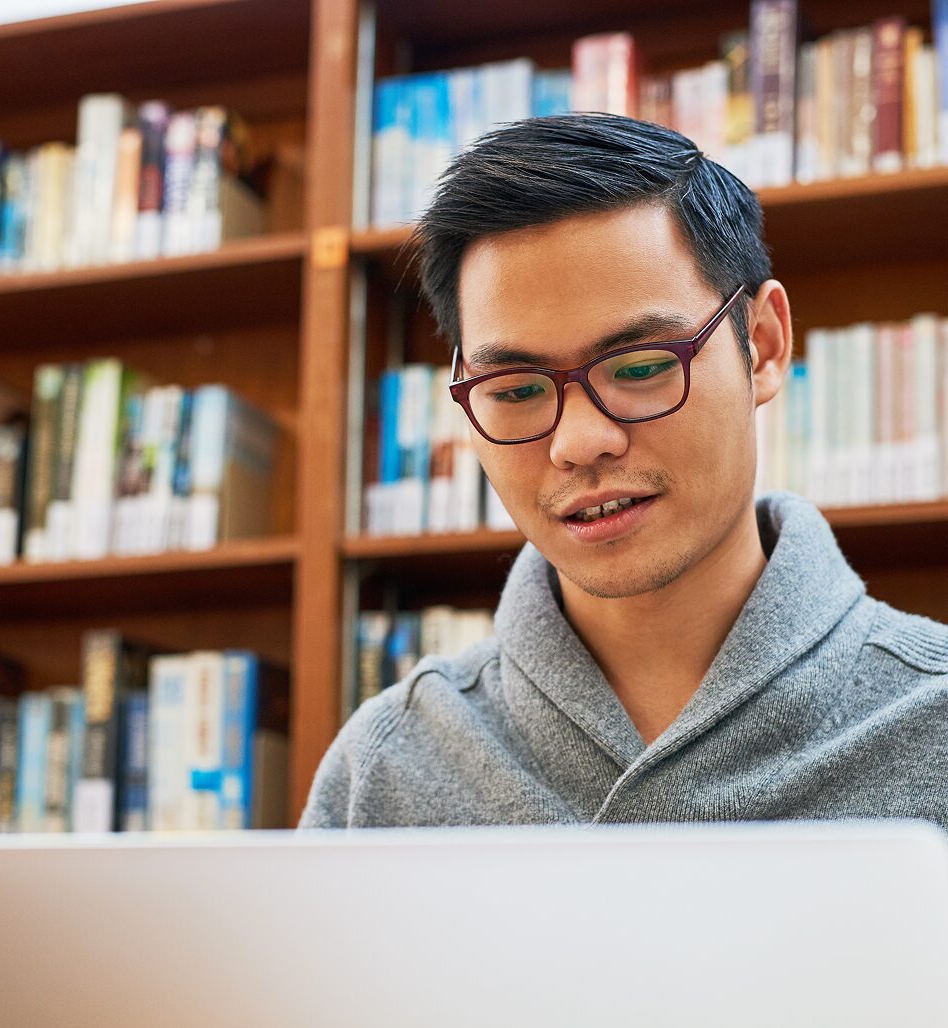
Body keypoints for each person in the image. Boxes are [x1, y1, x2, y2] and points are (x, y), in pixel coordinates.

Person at [299, 113, 948, 829]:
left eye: (641, 368)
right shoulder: (389, 765)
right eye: (514, 390)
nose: (579, 443)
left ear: (762, 347)